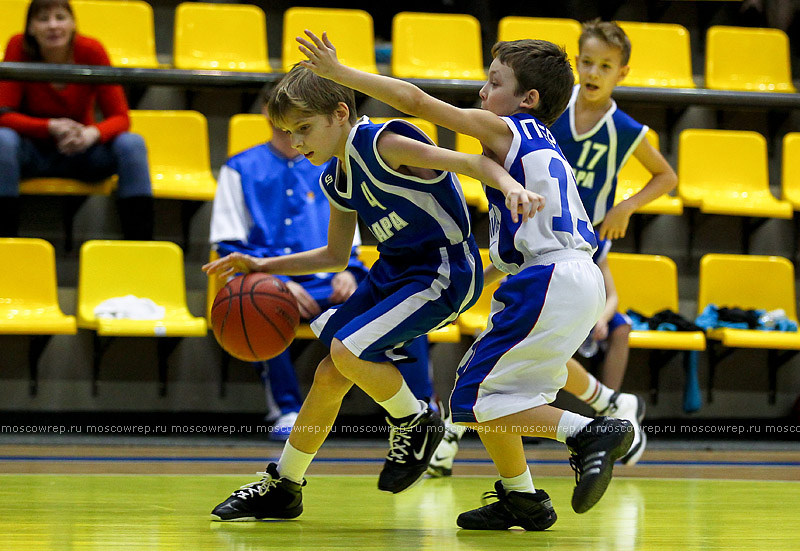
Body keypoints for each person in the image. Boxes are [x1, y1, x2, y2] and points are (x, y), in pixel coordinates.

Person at [297, 31, 633, 530]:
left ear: (527, 99)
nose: (482, 92)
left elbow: (413, 102)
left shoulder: (508, 129)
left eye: (493, 82)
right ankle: (522, 498)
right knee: (498, 396)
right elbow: (525, 241)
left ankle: (589, 433)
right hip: (569, 279)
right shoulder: (543, 147)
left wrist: (337, 73)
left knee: (473, 401)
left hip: (551, 280)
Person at [203, 63, 544, 522]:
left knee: (346, 350)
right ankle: (284, 485)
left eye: (304, 128)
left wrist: (509, 184)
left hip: (443, 270)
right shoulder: (335, 177)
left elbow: (471, 162)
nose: (298, 142)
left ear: (340, 113)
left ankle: (416, 420)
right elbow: (334, 256)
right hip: (393, 273)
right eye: (289, 132)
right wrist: (261, 265)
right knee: (330, 371)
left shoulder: (385, 143)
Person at [210, 106, 435, 440]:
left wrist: (351, 270)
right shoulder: (239, 168)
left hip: (332, 276)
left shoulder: (331, 165)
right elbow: (228, 244)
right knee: (260, 302)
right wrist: (281, 282)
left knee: (402, 297)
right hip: (271, 278)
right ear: (268, 113)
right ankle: (286, 408)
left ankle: (423, 407)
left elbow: (349, 245)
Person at [547, 18, 678, 466]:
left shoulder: (623, 128)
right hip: (540, 238)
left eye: (605, 66)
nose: (594, 73)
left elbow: (667, 177)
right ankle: (609, 411)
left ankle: (604, 414)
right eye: (587, 62)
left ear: (622, 73)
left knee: (543, 341)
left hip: (582, 248)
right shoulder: (552, 108)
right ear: (576, 63)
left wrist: (624, 207)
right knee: (535, 342)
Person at [0, 0, 153, 240]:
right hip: (31, 152)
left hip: (82, 151)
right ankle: (5, 244)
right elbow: (3, 115)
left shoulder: (91, 50)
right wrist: (49, 127)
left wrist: (91, 134)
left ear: (73, 24)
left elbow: (121, 117)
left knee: (132, 144)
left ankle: (142, 245)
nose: (53, 26)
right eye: (43, 19)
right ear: (30, 28)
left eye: (60, 18)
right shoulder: (17, 46)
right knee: (2, 140)